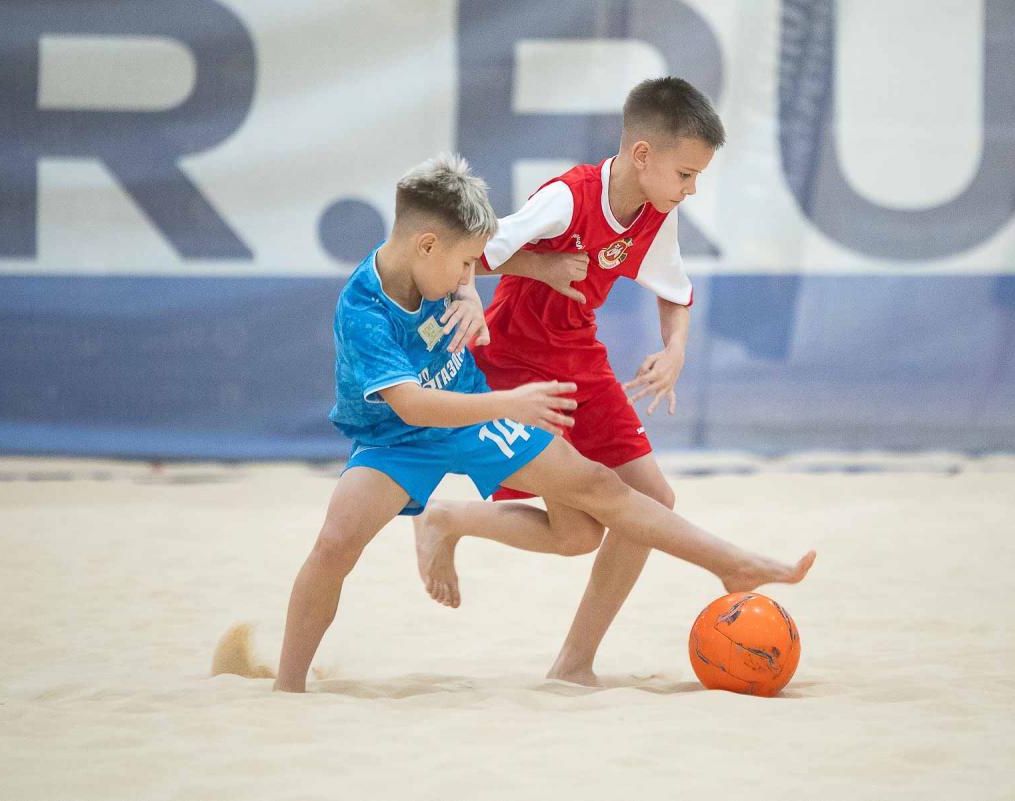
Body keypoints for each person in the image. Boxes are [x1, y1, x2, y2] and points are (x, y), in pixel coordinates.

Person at [273, 153, 815, 693]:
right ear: (428, 246)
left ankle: (729, 563)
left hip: (469, 407)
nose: (470, 275)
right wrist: (508, 403)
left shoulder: (434, 262)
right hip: (397, 438)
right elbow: (413, 407)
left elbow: (473, 261)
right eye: (465, 266)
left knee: (590, 513)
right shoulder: (363, 310)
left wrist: (469, 291)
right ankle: (288, 687)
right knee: (336, 544)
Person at [411, 77, 729, 686]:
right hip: (515, 363)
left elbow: (674, 290)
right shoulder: (567, 196)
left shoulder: (657, 213)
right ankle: (444, 519)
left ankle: (571, 660)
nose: (691, 189)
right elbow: (472, 251)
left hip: (580, 356)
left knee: (644, 506)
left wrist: (675, 350)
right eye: (687, 174)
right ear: (643, 155)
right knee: (585, 530)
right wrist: (538, 265)